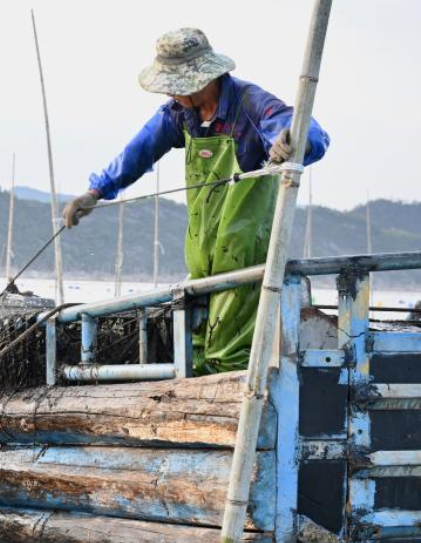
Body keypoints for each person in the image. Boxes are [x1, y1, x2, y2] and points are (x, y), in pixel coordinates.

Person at [63, 28, 329, 374]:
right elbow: (139, 151)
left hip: (245, 252)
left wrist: (294, 142)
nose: (172, 92)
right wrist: (96, 192)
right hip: (202, 252)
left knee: (229, 351)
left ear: (203, 77)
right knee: (194, 344)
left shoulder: (250, 104)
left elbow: (308, 132)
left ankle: (241, 413)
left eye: (177, 84)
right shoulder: (180, 113)